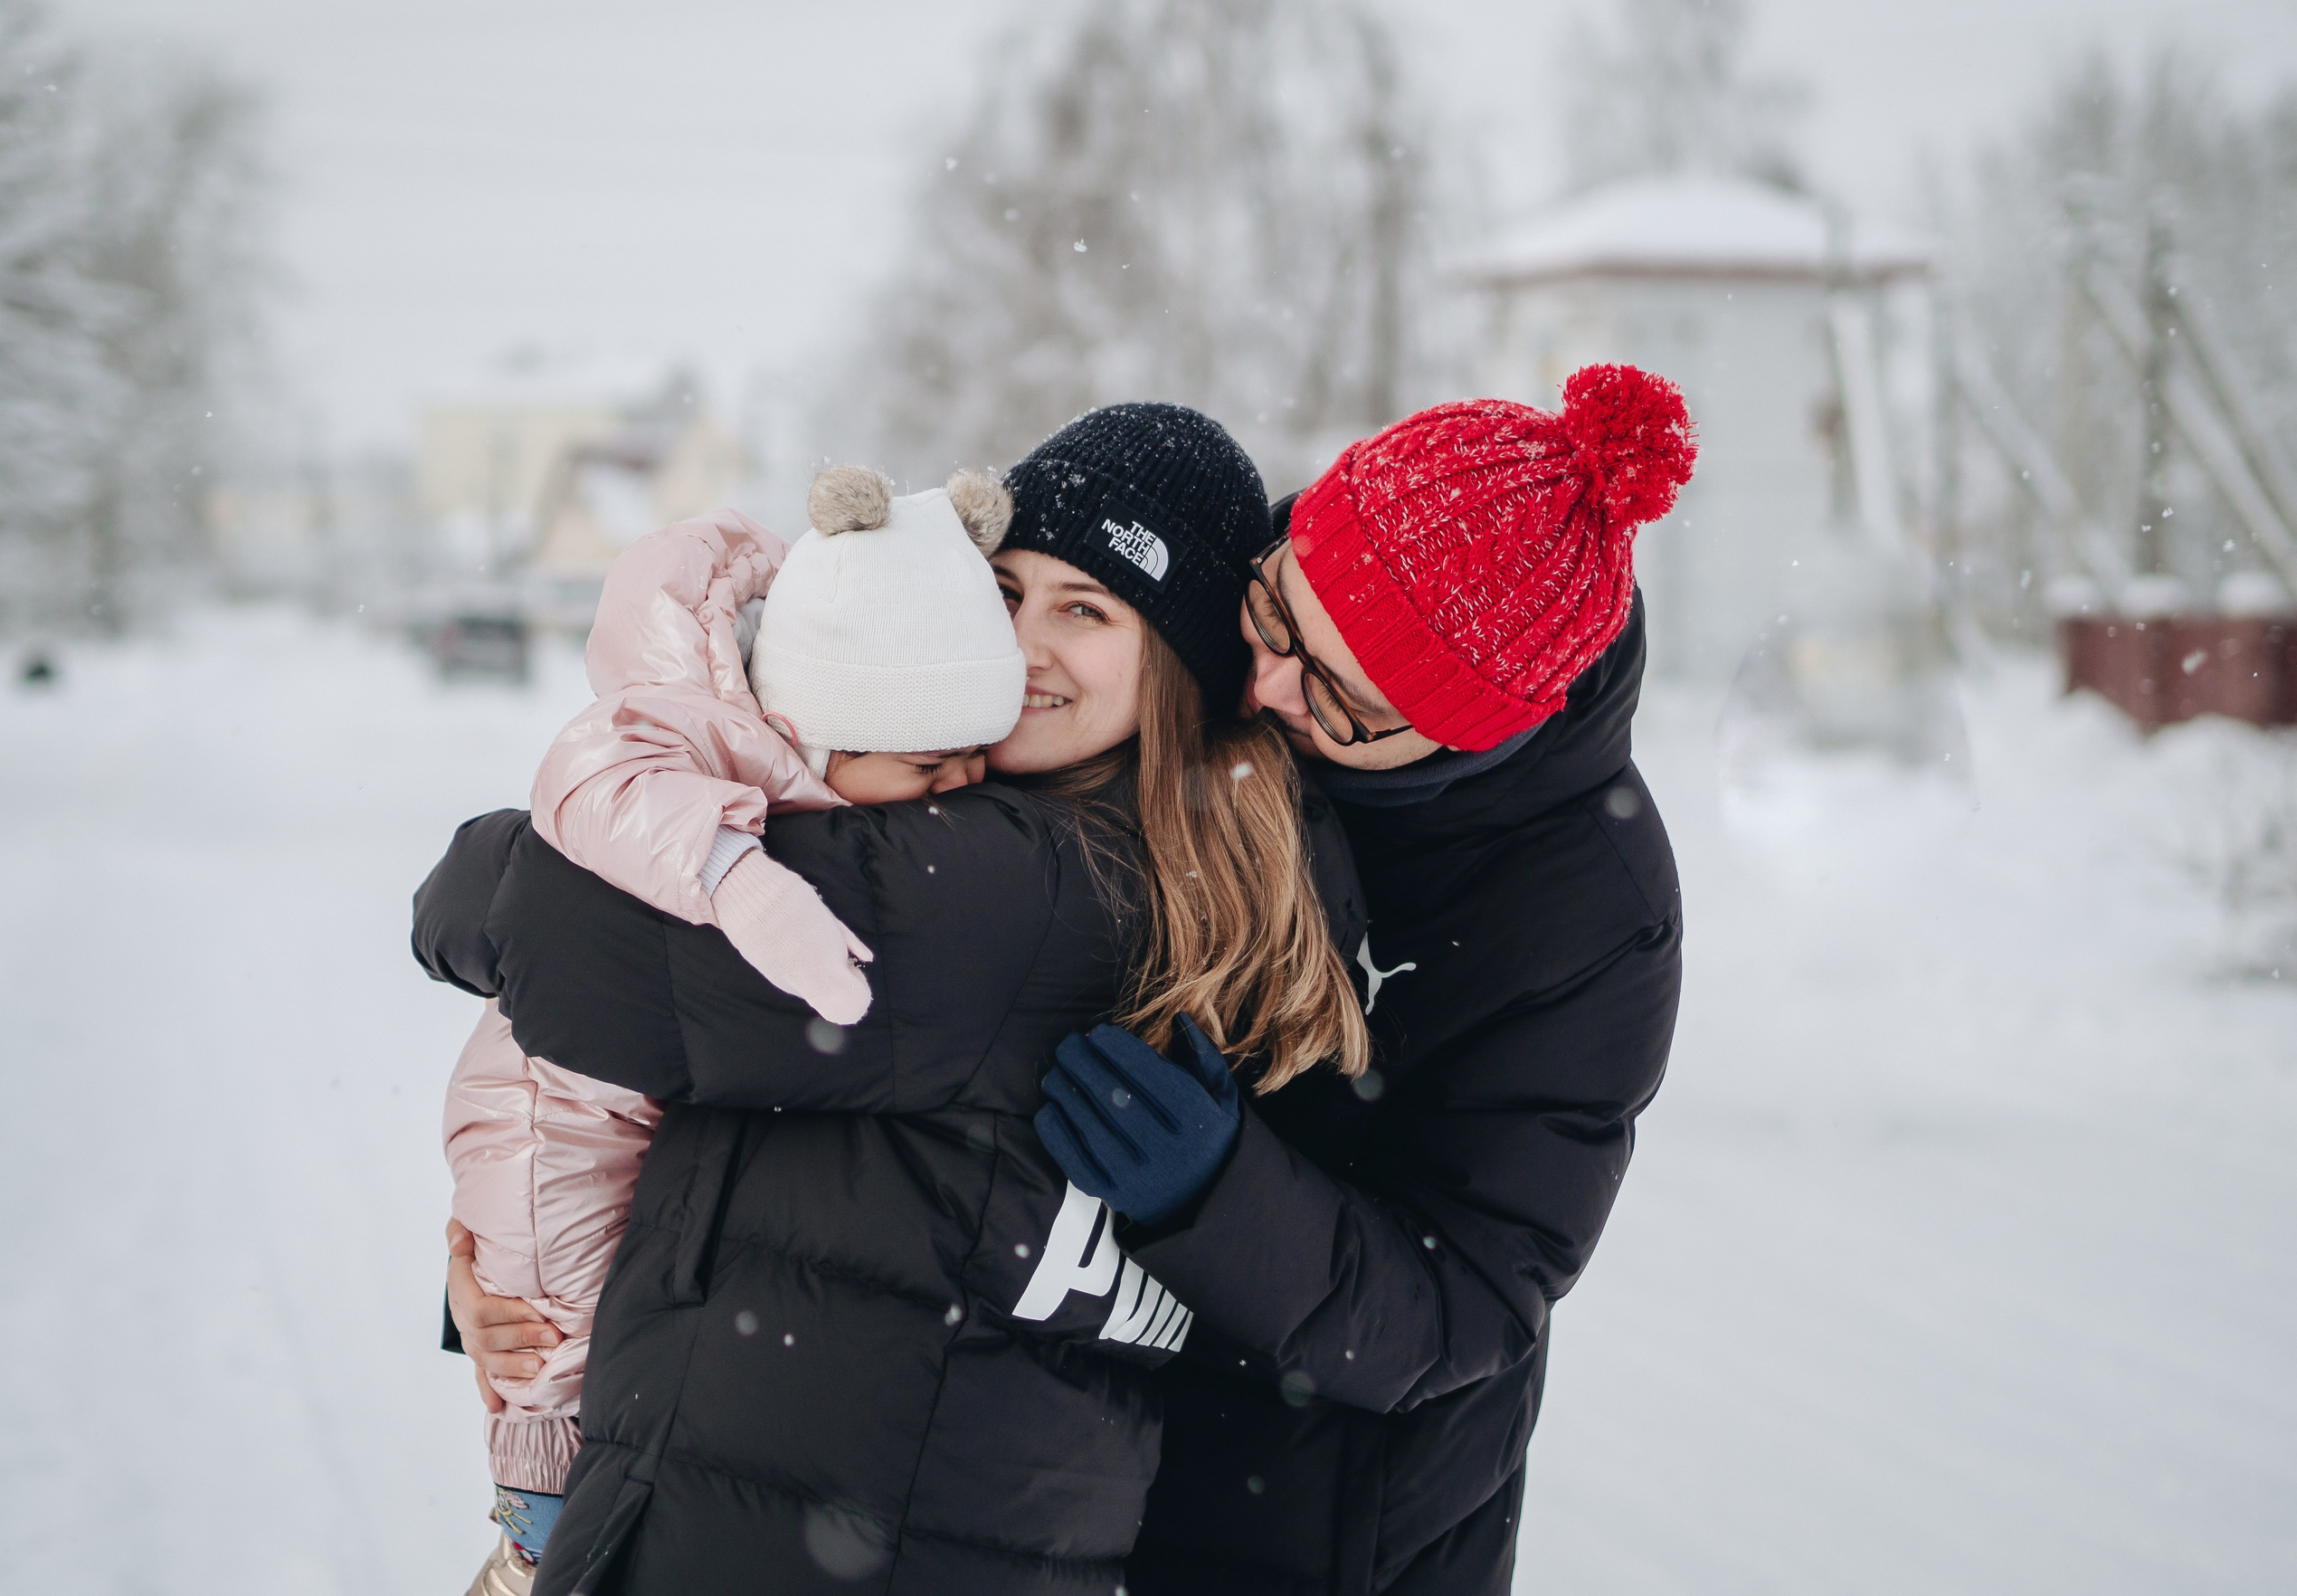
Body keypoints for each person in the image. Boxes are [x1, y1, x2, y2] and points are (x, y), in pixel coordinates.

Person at [415, 404, 1371, 1596]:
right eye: (1005, 590)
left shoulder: (1017, 881)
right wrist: (536, 1282)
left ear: (1178, 664)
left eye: (1087, 610)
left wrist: (528, 1278)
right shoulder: (1171, 851)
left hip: (787, 1534)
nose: (1024, 643)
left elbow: (558, 940)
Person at [1033, 366, 1697, 1595]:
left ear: (1468, 731)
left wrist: (1220, 1198)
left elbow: (1468, 1308)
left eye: (1342, 701)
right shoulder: (1209, 612)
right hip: (1072, 1458)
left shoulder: (1587, 913)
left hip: (1330, 1518)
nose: (1268, 686)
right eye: (1281, 617)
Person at [440, 468, 1029, 1595]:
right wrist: (735, 880)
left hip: (612, 1102)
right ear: (822, 731)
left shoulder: (839, 760)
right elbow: (588, 772)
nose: (960, 787)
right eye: (929, 765)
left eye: (972, 758)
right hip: (549, 1107)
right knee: (546, 1335)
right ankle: (533, 1543)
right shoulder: (728, 734)